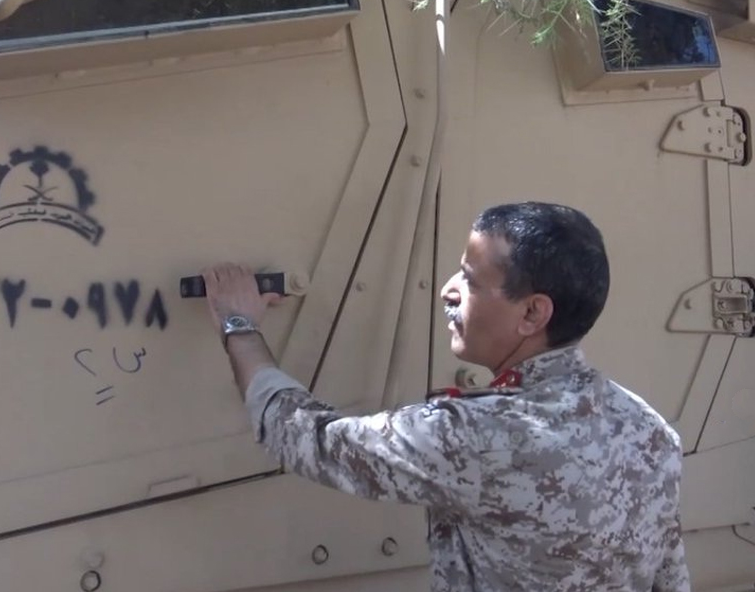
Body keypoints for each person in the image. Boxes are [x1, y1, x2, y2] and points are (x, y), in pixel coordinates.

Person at [201, 201, 689, 592]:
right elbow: (669, 576)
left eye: (470, 281)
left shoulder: (481, 436)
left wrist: (238, 324)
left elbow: (307, 439)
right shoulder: (647, 427)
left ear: (532, 314)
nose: (447, 291)